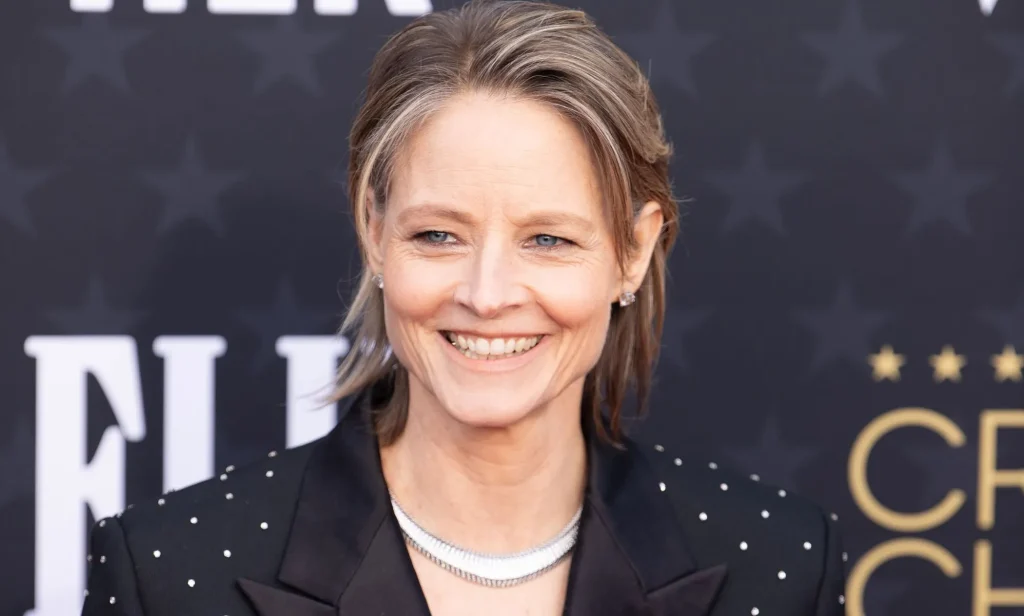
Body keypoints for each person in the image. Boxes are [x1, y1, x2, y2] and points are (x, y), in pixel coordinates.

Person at [82, 1, 847, 614]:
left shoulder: (778, 567)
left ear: (634, 253)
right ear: (374, 232)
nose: (486, 295)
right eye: (439, 234)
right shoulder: (170, 574)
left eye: (547, 239)